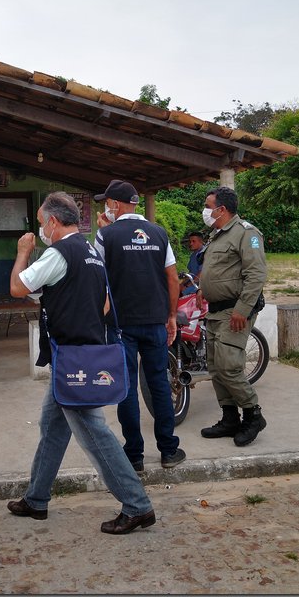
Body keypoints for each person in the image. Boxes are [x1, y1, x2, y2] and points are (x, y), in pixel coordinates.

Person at [7, 191, 156, 535]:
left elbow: (18, 287)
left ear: (54, 222)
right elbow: (102, 302)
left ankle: (137, 505)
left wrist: (23, 252)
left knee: (93, 433)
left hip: (73, 359)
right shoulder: (89, 250)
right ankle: (36, 498)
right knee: (53, 427)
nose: (42, 229)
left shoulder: (59, 251)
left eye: (43, 223)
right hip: (82, 352)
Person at [93, 179, 185, 472]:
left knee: (127, 388)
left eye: (107, 203)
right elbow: (172, 278)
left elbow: (96, 278)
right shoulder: (159, 233)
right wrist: (171, 315)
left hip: (121, 325)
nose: (106, 208)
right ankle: (169, 450)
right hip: (155, 321)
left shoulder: (105, 236)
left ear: (116, 205)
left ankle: (134, 455)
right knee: (159, 383)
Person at [198, 186, 269, 447]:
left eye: (208, 205)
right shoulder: (216, 235)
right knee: (216, 369)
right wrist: (202, 291)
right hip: (216, 311)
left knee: (229, 367)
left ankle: (253, 415)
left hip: (234, 311)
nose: (205, 211)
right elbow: (217, 270)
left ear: (222, 209)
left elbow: (256, 274)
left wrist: (242, 309)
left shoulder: (246, 233)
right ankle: (230, 418)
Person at [181, 231, 205, 295]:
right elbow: (191, 272)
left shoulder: (203, 254)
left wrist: (187, 286)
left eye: (194, 241)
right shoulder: (193, 255)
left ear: (201, 242)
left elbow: (201, 273)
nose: (191, 243)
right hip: (191, 282)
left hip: (199, 286)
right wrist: (182, 284)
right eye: (190, 241)